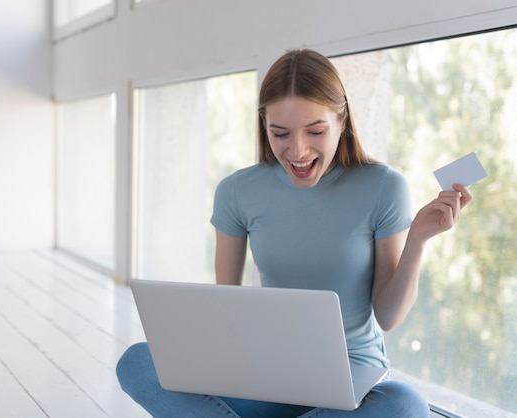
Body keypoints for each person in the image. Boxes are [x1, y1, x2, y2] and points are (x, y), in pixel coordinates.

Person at [116, 48, 472, 417]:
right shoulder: (237, 192)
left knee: (406, 406)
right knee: (138, 362)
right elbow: (226, 308)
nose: (298, 151)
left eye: (315, 131)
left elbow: (388, 317)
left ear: (342, 120)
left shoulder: (383, 187)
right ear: (263, 126)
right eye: (280, 133)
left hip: (351, 383)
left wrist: (417, 240)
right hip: (265, 375)